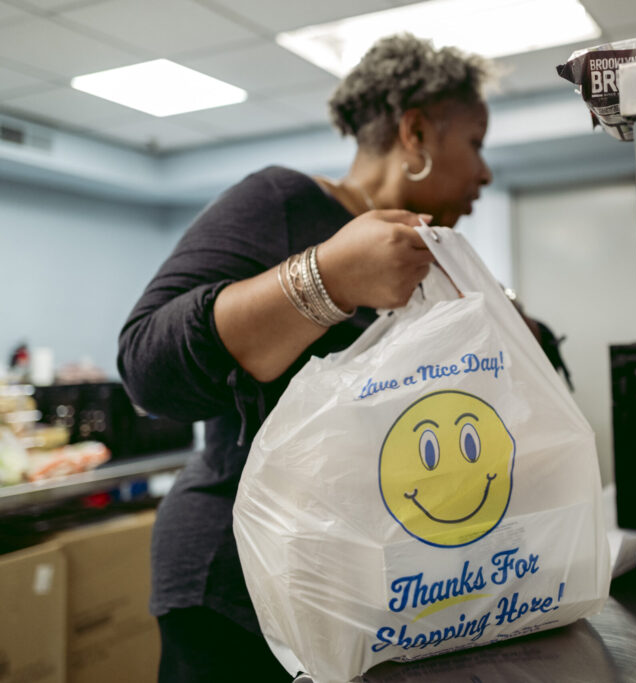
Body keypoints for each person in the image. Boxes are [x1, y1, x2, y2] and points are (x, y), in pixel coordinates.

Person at [118, 34, 493, 683]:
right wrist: (327, 280)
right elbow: (146, 367)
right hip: (232, 587)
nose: (486, 173)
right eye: (477, 144)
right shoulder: (282, 201)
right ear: (416, 132)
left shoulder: (420, 260)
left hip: (336, 585)